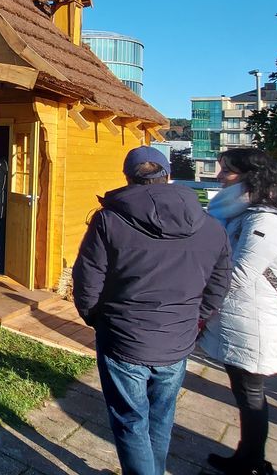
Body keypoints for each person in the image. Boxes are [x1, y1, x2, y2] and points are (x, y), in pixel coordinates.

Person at [74, 146, 231, 475]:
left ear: (127, 178)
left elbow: (87, 280)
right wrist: (197, 319)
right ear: (168, 176)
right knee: (161, 418)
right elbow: (220, 283)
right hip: (176, 338)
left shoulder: (109, 220)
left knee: (131, 422)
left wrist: (97, 319)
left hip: (124, 337)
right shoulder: (210, 225)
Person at [199, 148, 277, 475]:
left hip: (253, 320)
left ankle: (253, 465)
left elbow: (239, 274)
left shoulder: (265, 220)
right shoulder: (246, 213)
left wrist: (200, 300)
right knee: (246, 394)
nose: (220, 176)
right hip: (239, 316)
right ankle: (247, 458)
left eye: (227, 171)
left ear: (250, 176)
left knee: (251, 395)